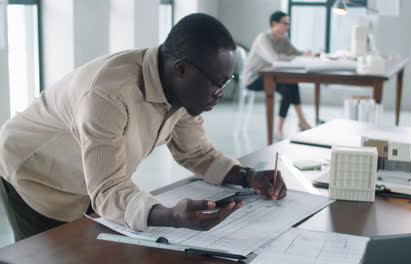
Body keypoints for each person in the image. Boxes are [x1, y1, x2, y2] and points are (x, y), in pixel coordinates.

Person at [0, 13, 287, 242]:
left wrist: (248, 177)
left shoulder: (181, 91)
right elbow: (109, 187)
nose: (220, 93)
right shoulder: (108, 94)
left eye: (226, 81)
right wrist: (171, 216)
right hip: (34, 172)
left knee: (92, 245)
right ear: (182, 69)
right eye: (216, 82)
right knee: (46, 254)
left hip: (88, 179)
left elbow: (197, 152)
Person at [243, 11, 313, 139]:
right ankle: (286, 126)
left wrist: (305, 54)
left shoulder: (283, 38)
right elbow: (274, 59)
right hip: (254, 78)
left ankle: (299, 121)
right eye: (285, 23)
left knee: (292, 83)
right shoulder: (263, 38)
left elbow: (295, 52)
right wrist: (295, 57)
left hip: (271, 76)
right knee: (288, 89)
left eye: (289, 24)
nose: (288, 26)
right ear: (274, 23)